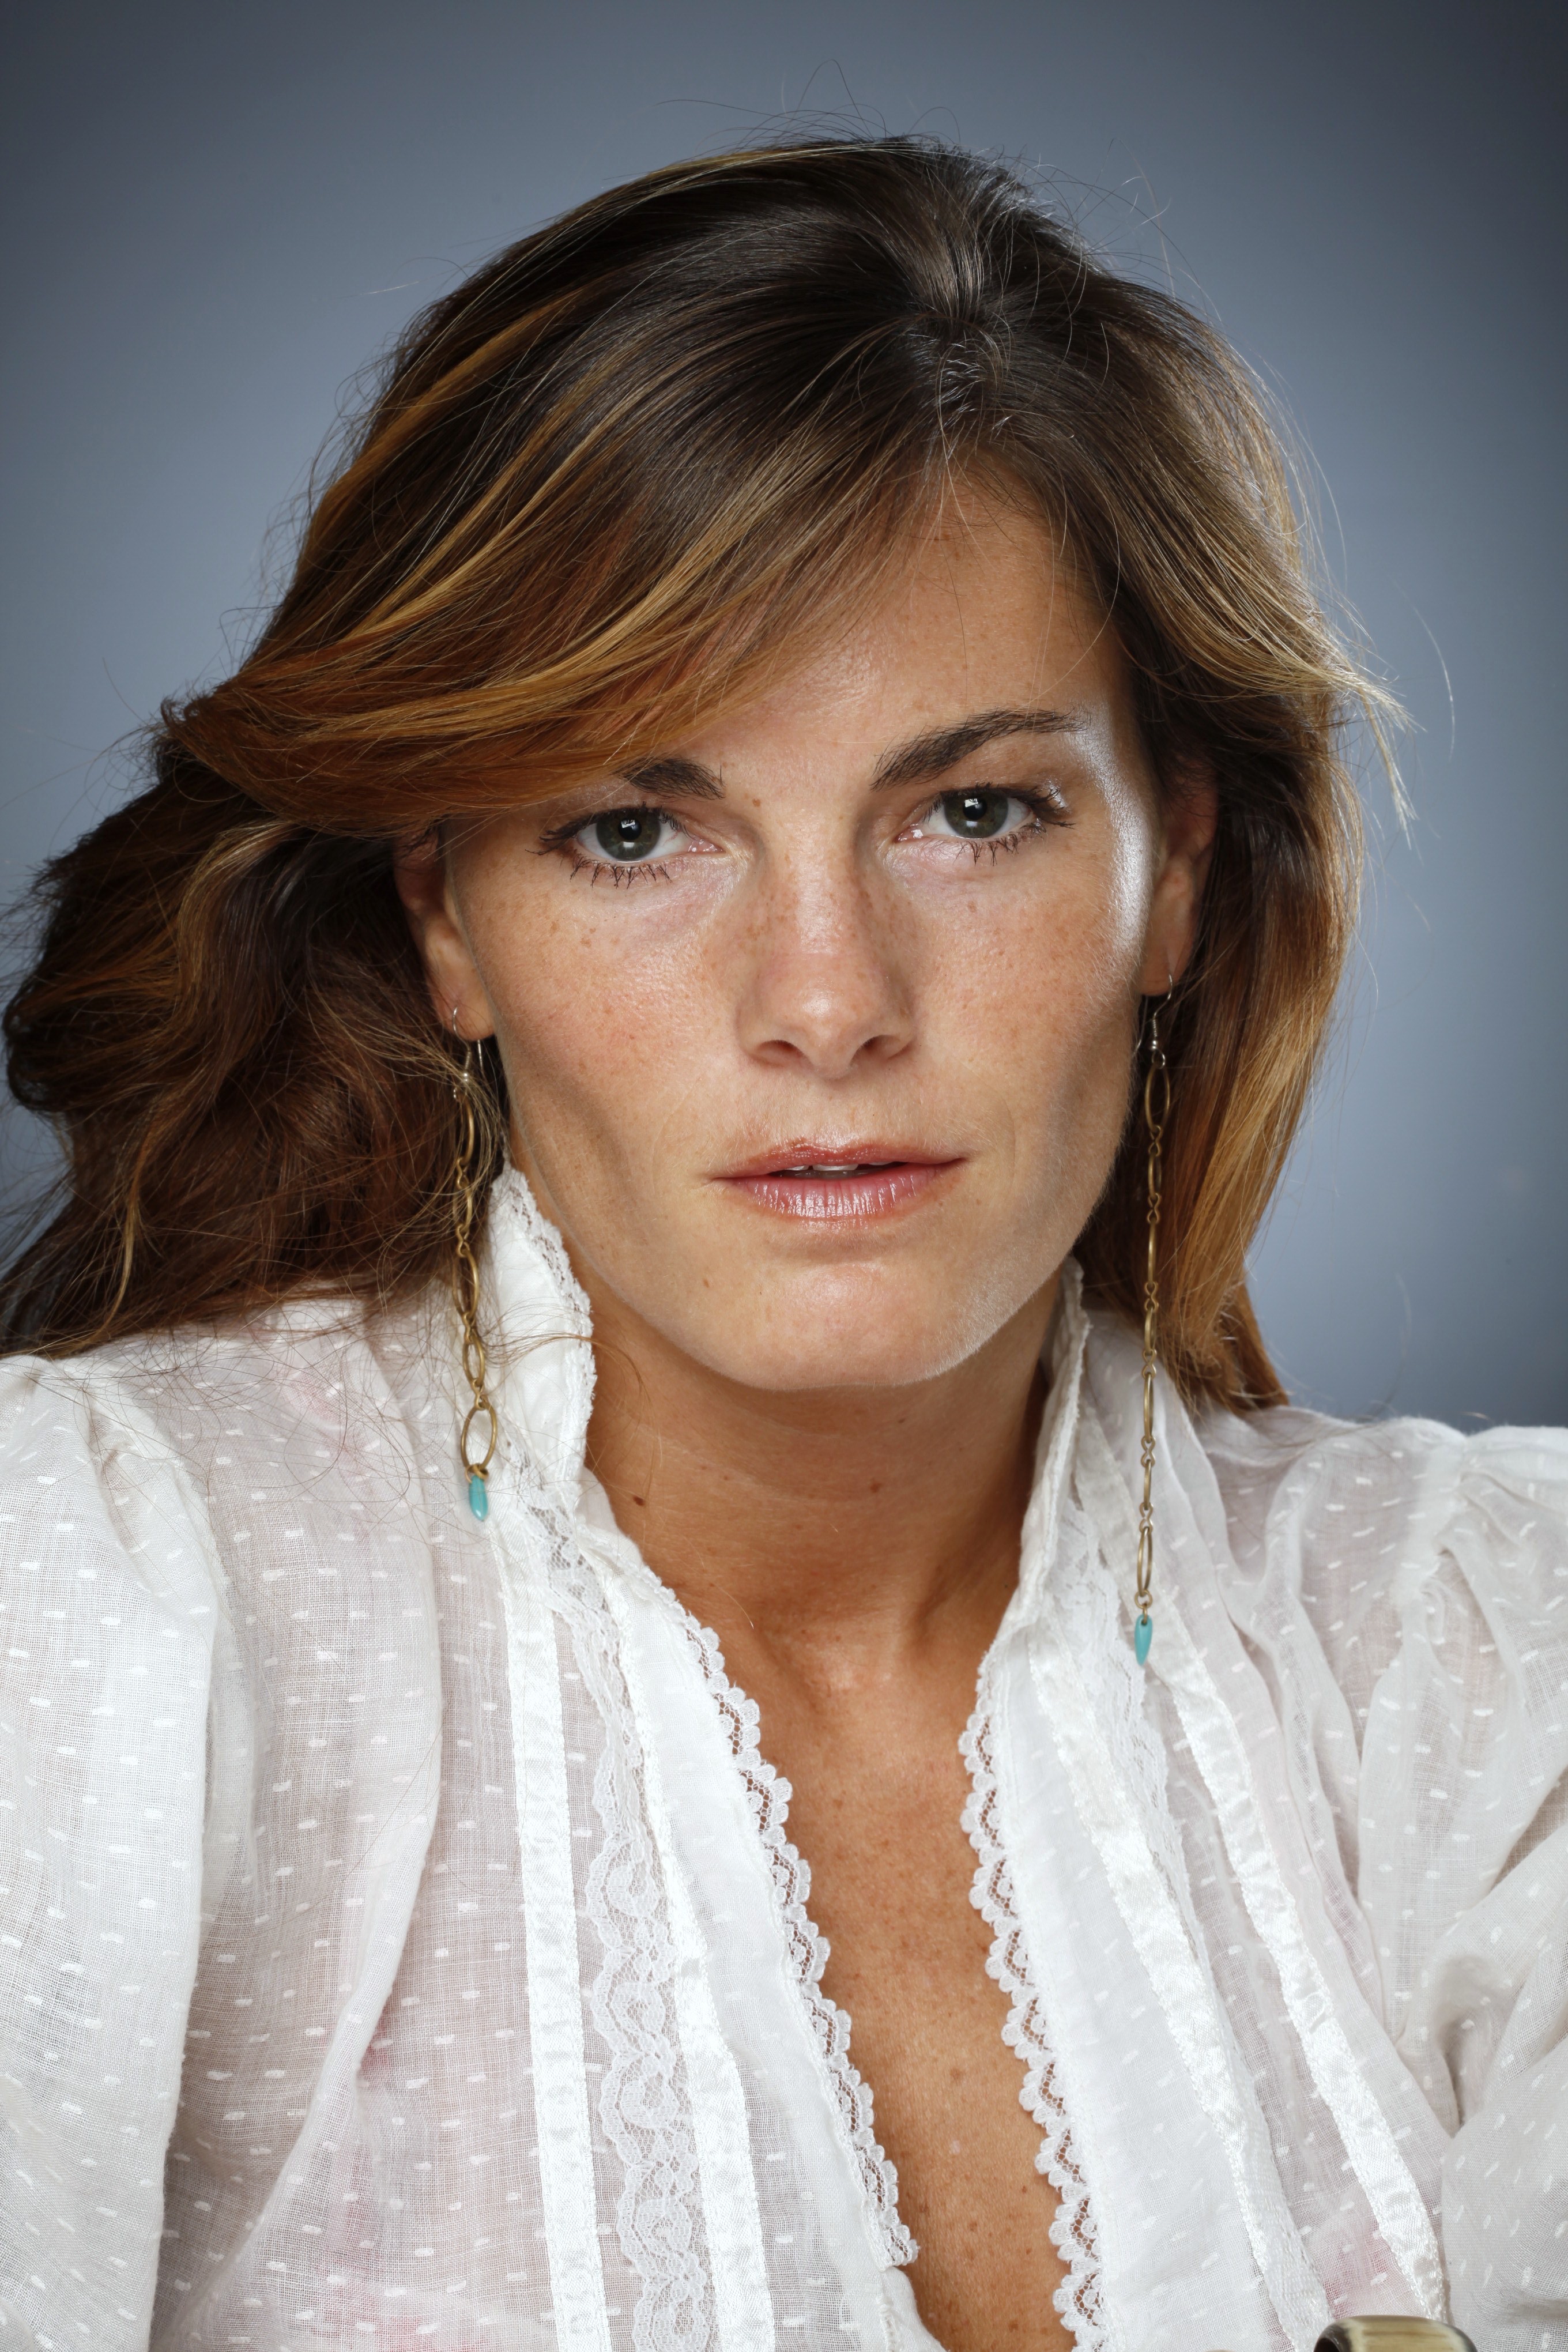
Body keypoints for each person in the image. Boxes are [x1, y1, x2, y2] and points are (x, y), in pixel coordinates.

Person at [0, 136, 1560, 2352]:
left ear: (1183, 876)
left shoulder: (1489, 1662)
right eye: (637, 831)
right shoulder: (95, 1612)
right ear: (447, 922)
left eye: (974, 813)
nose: (826, 1002)